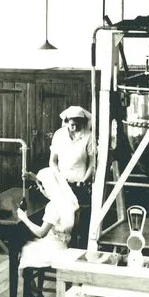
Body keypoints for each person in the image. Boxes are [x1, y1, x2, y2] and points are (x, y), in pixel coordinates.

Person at [16, 167, 80, 297]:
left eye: (42, 187)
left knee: (24, 252)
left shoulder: (53, 206)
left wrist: (24, 218)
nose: (41, 190)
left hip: (54, 249)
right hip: (65, 244)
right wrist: (36, 179)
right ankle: (34, 296)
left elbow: (40, 233)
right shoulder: (70, 200)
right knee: (29, 247)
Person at [50, 105, 95, 246]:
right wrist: (58, 177)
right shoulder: (59, 135)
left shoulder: (88, 136)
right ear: (66, 122)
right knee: (62, 220)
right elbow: (52, 161)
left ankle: (78, 249)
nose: (73, 127)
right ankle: (63, 248)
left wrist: (84, 179)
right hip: (62, 184)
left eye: (76, 124)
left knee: (79, 221)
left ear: (82, 123)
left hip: (80, 185)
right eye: (71, 124)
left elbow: (93, 163)